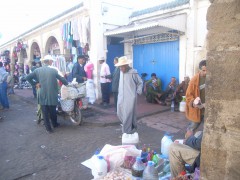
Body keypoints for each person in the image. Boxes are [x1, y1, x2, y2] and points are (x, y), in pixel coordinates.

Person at [26, 55, 68, 133]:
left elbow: (27, 77)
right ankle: (54, 124)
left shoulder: (37, 70)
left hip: (42, 93)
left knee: (45, 112)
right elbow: (62, 79)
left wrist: (35, 83)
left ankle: (48, 128)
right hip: (52, 94)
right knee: (53, 111)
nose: (52, 62)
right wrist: (68, 84)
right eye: (51, 61)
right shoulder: (53, 70)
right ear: (49, 61)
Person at [115, 56, 143, 134]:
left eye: (122, 67)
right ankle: (129, 126)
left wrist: (138, 91)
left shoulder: (133, 72)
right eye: (120, 67)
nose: (120, 68)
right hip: (121, 96)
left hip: (130, 97)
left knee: (127, 114)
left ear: (126, 66)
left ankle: (126, 132)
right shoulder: (121, 72)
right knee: (119, 112)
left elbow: (140, 82)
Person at [185, 60, 206, 132]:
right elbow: (188, 96)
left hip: (207, 110)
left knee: (206, 130)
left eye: (207, 70)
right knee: (191, 129)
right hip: (197, 110)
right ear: (199, 70)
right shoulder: (194, 80)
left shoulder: (210, 78)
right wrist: (194, 103)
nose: (206, 72)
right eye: (203, 70)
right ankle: (186, 141)